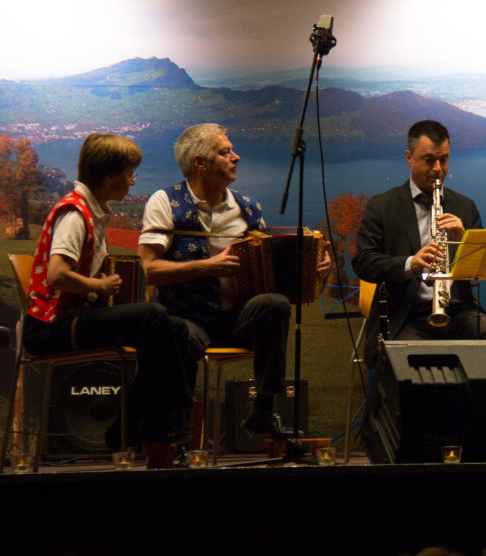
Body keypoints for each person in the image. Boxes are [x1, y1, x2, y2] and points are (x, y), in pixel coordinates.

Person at [138, 123, 331, 438]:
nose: (236, 157)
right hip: (185, 319)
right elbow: (150, 269)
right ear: (200, 162)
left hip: (234, 319)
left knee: (275, 304)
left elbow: (274, 271)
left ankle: (263, 410)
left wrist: (315, 268)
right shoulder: (165, 201)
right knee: (180, 337)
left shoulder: (247, 209)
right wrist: (207, 266)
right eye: (225, 152)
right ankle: (177, 435)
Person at [23, 133, 194, 447]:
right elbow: (57, 274)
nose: (132, 181)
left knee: (179, 330)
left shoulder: (92, 210)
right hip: (49, 328)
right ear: (111, 176)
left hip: (70, 319)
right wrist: (98, 285)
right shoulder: (75, 214)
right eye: (130, 173)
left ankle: (138, 425)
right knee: (153, 316)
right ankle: (163, 421)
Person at [352, 119, 486, 368]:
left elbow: (483, 270)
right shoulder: (381, 207)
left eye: (444, 159)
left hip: (459, 310)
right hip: (405, 313)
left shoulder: (466, 206)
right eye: (429, 160)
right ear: (409, 158)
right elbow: (363, 262)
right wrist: (411, 264)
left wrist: (464, 240)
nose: (438, 169)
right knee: (413, 359)